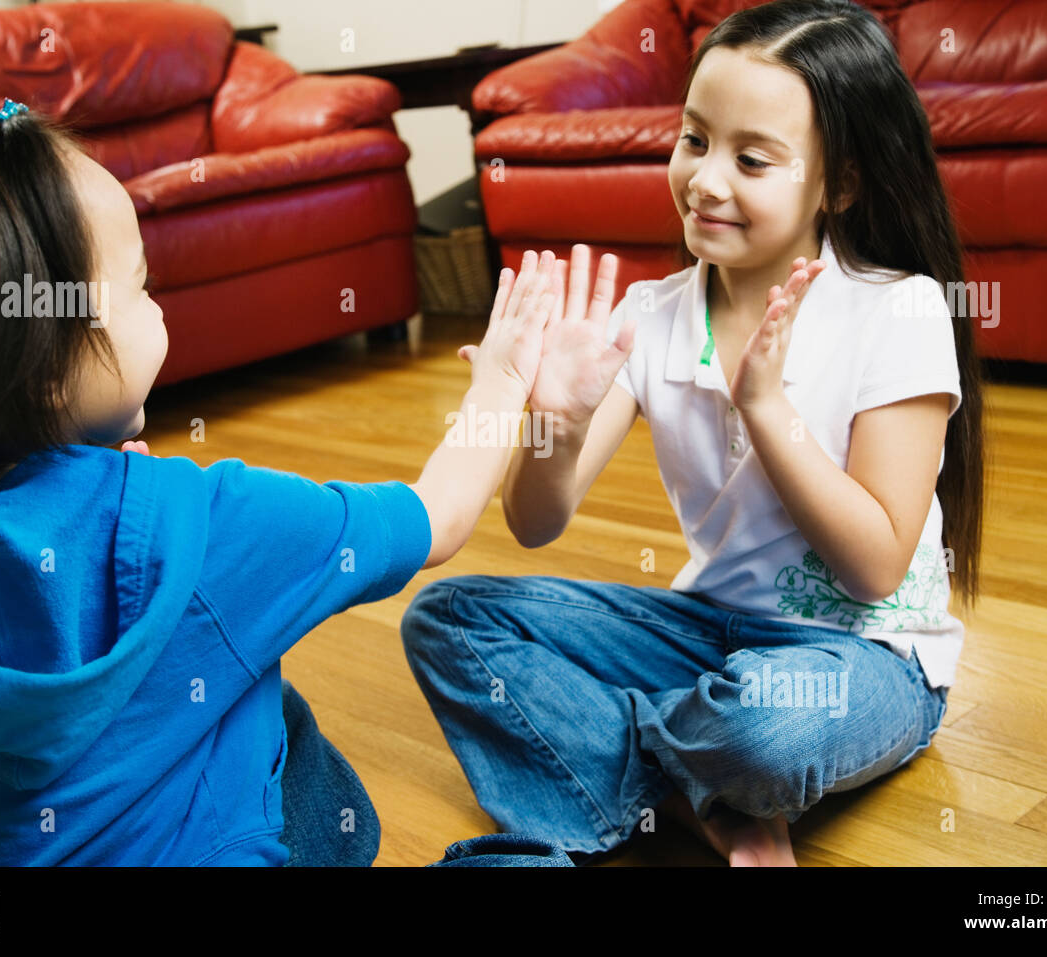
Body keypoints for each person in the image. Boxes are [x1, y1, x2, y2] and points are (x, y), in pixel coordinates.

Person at [0, 102, 602, 866]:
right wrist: (502, 384)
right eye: (141, 285)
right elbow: (436, 519)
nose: (157, 301)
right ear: (46, 364)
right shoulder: (204, 525)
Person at [400, 0, 985, 867]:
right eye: (694, 140)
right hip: (705, 633)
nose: (707, 179)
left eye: (751, 158)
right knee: (449, 622)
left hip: (863, 656)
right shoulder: (653, 316)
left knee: (764, 729)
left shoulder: (898, 308)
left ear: (841, 184)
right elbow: (534, 521)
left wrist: (766, 407)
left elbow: (876, 565)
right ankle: (707, 791)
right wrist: (552, 421)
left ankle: (662, 773)